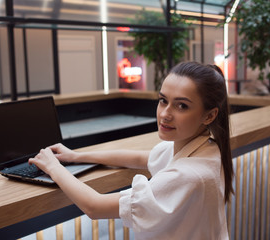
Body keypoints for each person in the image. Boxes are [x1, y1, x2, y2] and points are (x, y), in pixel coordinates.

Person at [29, 61, 234, 239]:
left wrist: (53, 167)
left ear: (209, 116)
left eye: (182, 106)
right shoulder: (205, 148)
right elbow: (138, 157)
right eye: (163, 101)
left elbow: (94, 206)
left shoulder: (188, 175)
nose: (165, 114)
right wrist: (76, 156)